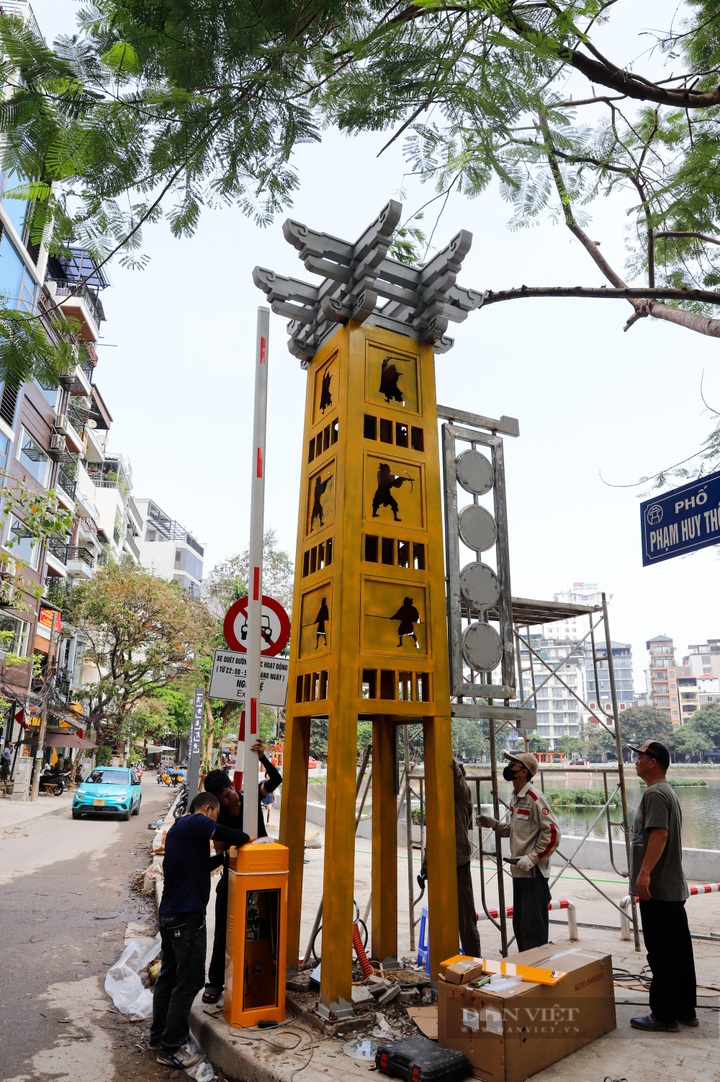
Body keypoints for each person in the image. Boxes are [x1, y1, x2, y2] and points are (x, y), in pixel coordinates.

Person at [149, 791, 255, 1069]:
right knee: (191, 981)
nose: (212, 825)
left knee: (169, 977)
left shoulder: (178, 830)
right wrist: (248, 839)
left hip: (170, 915)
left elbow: (197, 866)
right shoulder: (196, 821)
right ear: (208, 809)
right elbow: (234, 835)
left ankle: (158, 1036)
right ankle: (170, 1047)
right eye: (214, 816)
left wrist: (220, 859)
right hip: (186, 918)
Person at [201, 739, 282, 1003]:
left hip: (264, 872)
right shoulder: (219, 815)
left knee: (267, 928)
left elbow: (276, 778)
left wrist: (262, 757)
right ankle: (215, 983)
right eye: (222, 799)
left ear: (232, 786)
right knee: (224, 926)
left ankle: (267, 977)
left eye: (228, 793)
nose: (228, 800)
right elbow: (219, 849)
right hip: (234, 875)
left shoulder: (251, 796)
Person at [626, 740, 698, 1033]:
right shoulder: (666, 791)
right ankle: (685, 1010)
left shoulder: (655, 793)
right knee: (679, 952)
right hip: (671, 888)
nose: (636, 761)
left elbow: (659, 835)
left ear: (652, 762)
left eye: (639, 756)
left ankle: (664, 1015)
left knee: (661, 954)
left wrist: (644, 874)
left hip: (658, 889)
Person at [477, 751, 561, 952]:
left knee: (533, 929)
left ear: (524, 772)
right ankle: (526, 969)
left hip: (533, 874)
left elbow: (553, 833)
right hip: (520, 872)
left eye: (514, 764)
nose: (509, 767)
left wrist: (533, 857)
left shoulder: (534, 797)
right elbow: (517, 830)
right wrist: (495, 824)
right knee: (521, 926)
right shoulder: (517, 796)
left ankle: (538, 969)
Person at [418, 758, 481, 956]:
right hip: (439, 865)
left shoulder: (462, 800)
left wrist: (448, 759)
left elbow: (457, 781)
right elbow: (432, 838)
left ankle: (473, 962)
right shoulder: (438, 804)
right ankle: (445, 962)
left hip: (458, 863)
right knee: (443, 919)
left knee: (465, 920)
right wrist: (426, 866)